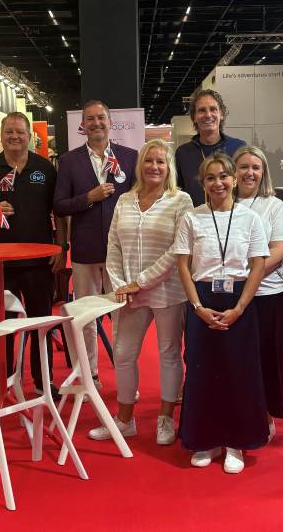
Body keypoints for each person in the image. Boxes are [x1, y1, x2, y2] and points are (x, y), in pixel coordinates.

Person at [88, 139, 191, 445]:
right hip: (129, 293)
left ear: (169, 167)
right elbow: (113, 244)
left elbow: (178, 250)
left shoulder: (180, 200)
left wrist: (142, 281)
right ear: (140, 165)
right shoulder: (125, 200)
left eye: (160, 161)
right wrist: (119, 282)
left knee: (169, 353)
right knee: (123, 353)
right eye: (149, 160)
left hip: (168, 291)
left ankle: (165, 418)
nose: (154, 167)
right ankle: (124, 420)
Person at [172, 153, 268, 474]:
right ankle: (205, 439)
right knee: (202, 372)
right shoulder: (191, 218)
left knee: (238, 372)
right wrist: (197, 307)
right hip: (202, 300)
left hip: (239, 301)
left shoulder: (250, 219)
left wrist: (240, 308)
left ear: (235, 179)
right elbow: (183, 265)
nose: (218, 183)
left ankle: (236, 442)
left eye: (224, 176)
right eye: (210, 178)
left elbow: (258, 265)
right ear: (202, 183)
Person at [0, 112, 66, 397]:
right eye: (9, 132)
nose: (14, 137)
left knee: (40, 326)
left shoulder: (44, 169)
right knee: (3, 328)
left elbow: (59, 211)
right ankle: (1, 384)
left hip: (40, 263)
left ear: (29, 136)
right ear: (1, 136)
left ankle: (43, 382)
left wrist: (62, 247)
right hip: (1, 264)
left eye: (20, 132)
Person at [54, 100, 137, 388]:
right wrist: (88, 198)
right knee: (85, 315)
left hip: (120, 252)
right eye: (90, 119)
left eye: (101, 117)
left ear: (110, 122)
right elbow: (59, 206)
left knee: (122, 316)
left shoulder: (130, 157)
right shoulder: (69, 161)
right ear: (83, 125)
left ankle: (126, 375)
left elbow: (140, 199)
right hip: (85, 251)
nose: (96, 123)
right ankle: (89, 374)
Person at [233, 146, 283, 438]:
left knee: (266, 357)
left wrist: (246, 277)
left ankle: (266, 414)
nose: (250, 173)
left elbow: (280, 249)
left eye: (256, 167)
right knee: (236, 360)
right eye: (243, 167)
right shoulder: (221, 200)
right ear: (233, 171)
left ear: (264, 172)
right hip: (228, 295)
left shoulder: (273, 205)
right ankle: (237, 412)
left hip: (267, 295)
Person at [175, 87, 246, 206]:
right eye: (202, 110)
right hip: (194, 216)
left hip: (231, 216)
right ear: (194, 117)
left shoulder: (238, 149)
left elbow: (246, 189)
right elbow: (177, 192)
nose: (208, 115)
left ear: (221, 114)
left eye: (213, 109)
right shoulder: (183, 153)